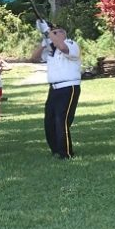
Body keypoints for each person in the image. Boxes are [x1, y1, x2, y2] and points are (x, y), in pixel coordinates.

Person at [31, 21, 82, 159]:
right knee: (49, 121)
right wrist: (44, 43)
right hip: (54, 88)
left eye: (56, 32)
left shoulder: (70, 44)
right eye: (52, 31)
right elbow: (33, 58)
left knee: (62, 120)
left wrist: (48, 31)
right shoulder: (50, 49)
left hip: (68, 87)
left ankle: (66, 153)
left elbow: (63, 48)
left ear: (63, 33)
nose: (53, 34)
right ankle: (55, 150)